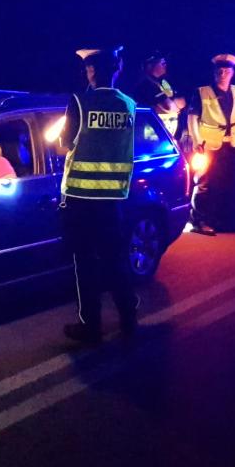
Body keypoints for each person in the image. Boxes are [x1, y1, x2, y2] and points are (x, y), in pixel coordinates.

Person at [60, 46, 139, 342]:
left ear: (91, 71)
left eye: (88, 68)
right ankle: (129, 320)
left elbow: (65, 142)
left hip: (81, 198)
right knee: (116, 260)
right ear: (117, 70)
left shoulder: (80, 101)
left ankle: (91, 326)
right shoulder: (128, 104)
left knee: (85, 263)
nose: (87, 72)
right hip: (114, 199)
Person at [185, 53, 235, 235]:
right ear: (214, 72)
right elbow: (192, 117)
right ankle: (199, 221)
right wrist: (196, 140)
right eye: (220, 71)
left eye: (227, 71)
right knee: (204, 183)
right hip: (208, 145)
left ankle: (221, 219)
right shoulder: (202, 92)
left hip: (230, 145)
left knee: (226, 183)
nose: (223, 74)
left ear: (233, 73)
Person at [133, 51, 186, 139]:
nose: (165, 65)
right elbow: (169, 107)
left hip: (164, 134)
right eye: (162, 63)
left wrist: (174, 104)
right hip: (153, 135)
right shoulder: (148, 84)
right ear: (150, 66)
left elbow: (183, 102)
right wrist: (175, 105)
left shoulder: (163, 82)